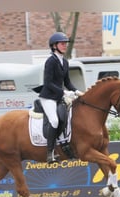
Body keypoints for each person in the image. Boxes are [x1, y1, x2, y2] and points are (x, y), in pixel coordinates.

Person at [39, 32, 84, 163]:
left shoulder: (64, 62)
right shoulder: (50, 61)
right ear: (54, 46)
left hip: (59, 97)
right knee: (54, 120)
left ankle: (65, 145)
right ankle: (50, 152)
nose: (65, 46)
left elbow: (67, 82)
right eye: (62, 44)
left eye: (65, 44)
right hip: (48, 97)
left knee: (69, 117)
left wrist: (77, 91)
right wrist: (64, 93)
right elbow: (48, 83)